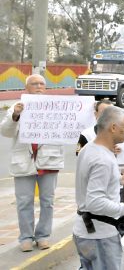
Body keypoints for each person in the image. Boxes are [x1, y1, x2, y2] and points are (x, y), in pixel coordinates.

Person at [73, 106, 124, 269]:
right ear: (113, 127)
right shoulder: (103, 159)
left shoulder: (88, 149)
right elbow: (95, 202)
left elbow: (90, 181)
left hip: (84, 232)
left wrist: (119, 179)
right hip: (100, 236)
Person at [0, 74, 63, 252]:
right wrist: (15, 115)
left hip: (49, 160)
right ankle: (26, 237)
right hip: (24, 162)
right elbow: (5, 131)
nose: (38, 86)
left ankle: (43, 236)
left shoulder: (56, 107)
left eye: (42, 83)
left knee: (47, 201)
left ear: (46, 87)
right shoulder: (16, 107)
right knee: (24, 201)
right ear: (26, 88)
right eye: (34, 83)